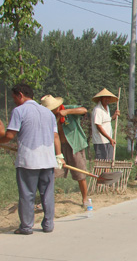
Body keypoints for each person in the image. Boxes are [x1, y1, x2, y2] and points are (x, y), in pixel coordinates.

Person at [0, 84, 62, 235]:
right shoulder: (48, 113)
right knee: (47, 193)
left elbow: (9, 136)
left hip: (29, 160)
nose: (14, 101)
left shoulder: (19, 111)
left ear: (20, 95)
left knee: (27, 194)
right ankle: (48, 225)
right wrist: (59, 155)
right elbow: (55, 136)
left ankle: (26, 227)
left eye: (14, 97)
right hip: (47, 160)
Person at [40, 95, 89, 206]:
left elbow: (84, 110)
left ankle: (85, 199)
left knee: (80, 174)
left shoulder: (67, 109)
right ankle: (46, 201)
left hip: (75, 146)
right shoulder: (48, 117)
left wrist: (68, 112)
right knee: (51, 174)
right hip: (57, 148)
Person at [91, 88, 120, 160]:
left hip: (108, 140)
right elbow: (99, 126)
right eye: (105, 97)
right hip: (100, 141)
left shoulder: (107, 108)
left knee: (108, 161)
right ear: (101, 98)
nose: (107, 99)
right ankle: (101, 172)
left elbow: (107, 120)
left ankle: (107, 172)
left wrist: (114, 116)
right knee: (101, 162)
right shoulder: (97, 110)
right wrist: (110, 139)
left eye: (108, 97)